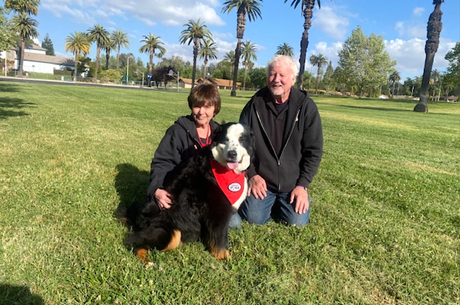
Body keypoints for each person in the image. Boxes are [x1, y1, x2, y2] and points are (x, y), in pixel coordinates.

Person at [235, 55, 323, 226]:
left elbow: (314, 151)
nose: (276, 80)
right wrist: (252, 174)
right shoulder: (254, 105)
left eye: (282, 75)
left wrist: (302, 185)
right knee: (254, 218)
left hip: (292, 184)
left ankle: (280, 203)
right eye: (272, 74)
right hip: (262, 181)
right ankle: (267, 203)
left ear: (292, 78)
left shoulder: (306, 107)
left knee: (297, 223)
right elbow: (241, 145)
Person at [147, 83, 221, 210]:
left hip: (208, 191)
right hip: (182, 189)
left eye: (207, 107)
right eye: (197, 106)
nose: (201, 112)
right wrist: (156, 189)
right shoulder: (178, 131)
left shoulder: (219, 134)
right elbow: (162, 162)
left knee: (233, 221)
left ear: (215, 109)